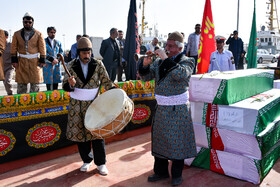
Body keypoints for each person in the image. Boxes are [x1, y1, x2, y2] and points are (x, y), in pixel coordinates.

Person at [138, 31, 197, 186]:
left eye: (170, 46)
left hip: (178, 109)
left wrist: (165, 58)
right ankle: (161, 172)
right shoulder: (158, 63)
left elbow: (181, 75)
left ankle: (176, 175)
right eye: (166, 45)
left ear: (179, 48)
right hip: (162, 108)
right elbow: (146, 77)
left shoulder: (188, 61)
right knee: (160, 140)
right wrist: (145, 64)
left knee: (178, 142)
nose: (167, 48)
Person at [63, 37, 114, 175]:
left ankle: (101, 163)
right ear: (79, 52)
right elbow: (64, 86)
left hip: (94, 104)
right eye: (84, 53)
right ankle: (87, 160)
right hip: (76, 105)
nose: (87, 56)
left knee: (97, 134)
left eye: (89, 52)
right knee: (81, 134)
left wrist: (115, 92)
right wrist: (70, 85)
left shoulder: (98, 64)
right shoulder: (71, 65)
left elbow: (106, 82)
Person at [11, 12, 46, 94]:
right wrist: (14, 61)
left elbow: (42, 48)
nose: (27, 24)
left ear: (32, 22)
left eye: (29, 22)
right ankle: (21, 105)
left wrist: (42, 60)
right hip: (22, 62)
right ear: (23, 22)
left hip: (35, 62)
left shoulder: (38, 34)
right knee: (21, 86)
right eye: (25, 22)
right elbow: (13, 48)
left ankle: (34, 105)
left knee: (35, 86)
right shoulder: (16, 34)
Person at [43, 27, 63, 91]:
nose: (53, 34)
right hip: (48, 65)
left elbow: (61, 52)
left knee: (55, 82)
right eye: (51, 32)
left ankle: (55, 97)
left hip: (56, 65)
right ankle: (49, 97)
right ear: (48, 33)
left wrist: (57, 60)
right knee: (48, 82)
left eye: (54, 32)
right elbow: (43, 52)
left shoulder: (58, 42)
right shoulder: (43, 42)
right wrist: (51, 59)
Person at [3, 31, 15, 95]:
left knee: (7, 81)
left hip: (9, 68)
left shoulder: (11, 45)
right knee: (5, 83)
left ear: (6, 37)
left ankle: (10, 95)